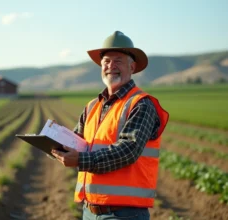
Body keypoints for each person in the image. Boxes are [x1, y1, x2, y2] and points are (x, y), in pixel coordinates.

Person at [51, 31, 169, 220]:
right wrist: (55, 138)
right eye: (106, 61)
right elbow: (77, 142)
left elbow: (128, 150)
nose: (110, 66)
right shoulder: (92, 106)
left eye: (118, 61)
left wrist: (81, 160)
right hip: (89, 211)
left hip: (124, 214)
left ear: (132, 67)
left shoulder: (141, 104)